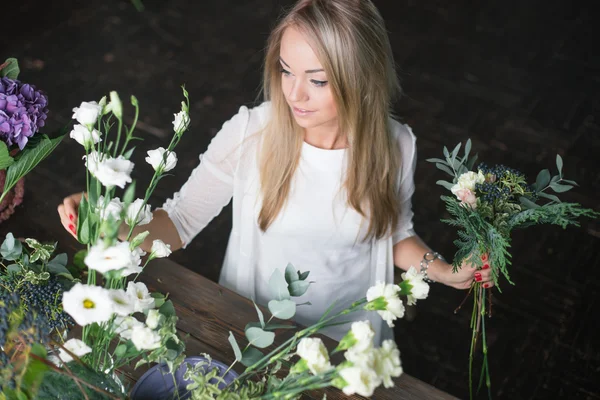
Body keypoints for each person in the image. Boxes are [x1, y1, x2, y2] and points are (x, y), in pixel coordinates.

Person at [57, 0, 494, 345]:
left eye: (317, 80)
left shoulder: (397, 143)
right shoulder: (251, 133)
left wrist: (445, 271)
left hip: (350, 343)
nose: (295, 94)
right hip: (252, 337)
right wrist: (111, 227)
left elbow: (393, 232)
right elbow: (181, 221)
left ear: (361, 79)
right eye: (286, 71)